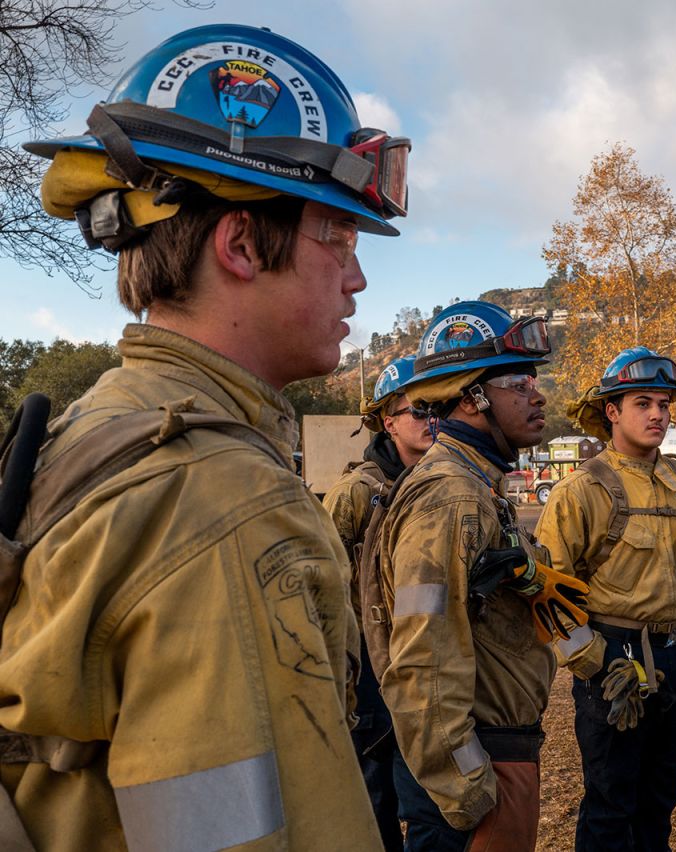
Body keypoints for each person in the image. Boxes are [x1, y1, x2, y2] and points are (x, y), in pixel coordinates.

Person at [0, 24, 408, 850]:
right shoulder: (222, 500)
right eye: (337, 236)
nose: (357, 275)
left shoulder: (92, 432)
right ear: (241, 245)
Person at [373, 301, 588, 851]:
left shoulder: (480, 486)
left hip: (500, 753)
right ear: (471, 397)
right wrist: (467, 788)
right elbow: (422, 659)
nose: (537, 395)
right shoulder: (450, 496)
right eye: (518, 382)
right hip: (474, 773)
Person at [536, 347, 676, 851]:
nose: (658, 413)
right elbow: (548, 590)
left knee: (661, 798)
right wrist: (595, 661)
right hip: (614, 660)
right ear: (612, 411)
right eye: (643, 403)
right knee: (611, 803)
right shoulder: (579, 491)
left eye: (664, 403)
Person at [323, 355, 432, 850]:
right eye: (418, 411)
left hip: (424, 658)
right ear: (388, 422)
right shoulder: (355, 493)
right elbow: (323, 589)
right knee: (375, 796)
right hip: (368, 668)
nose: (433, 420)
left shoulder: (441, 485)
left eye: (439, 409)